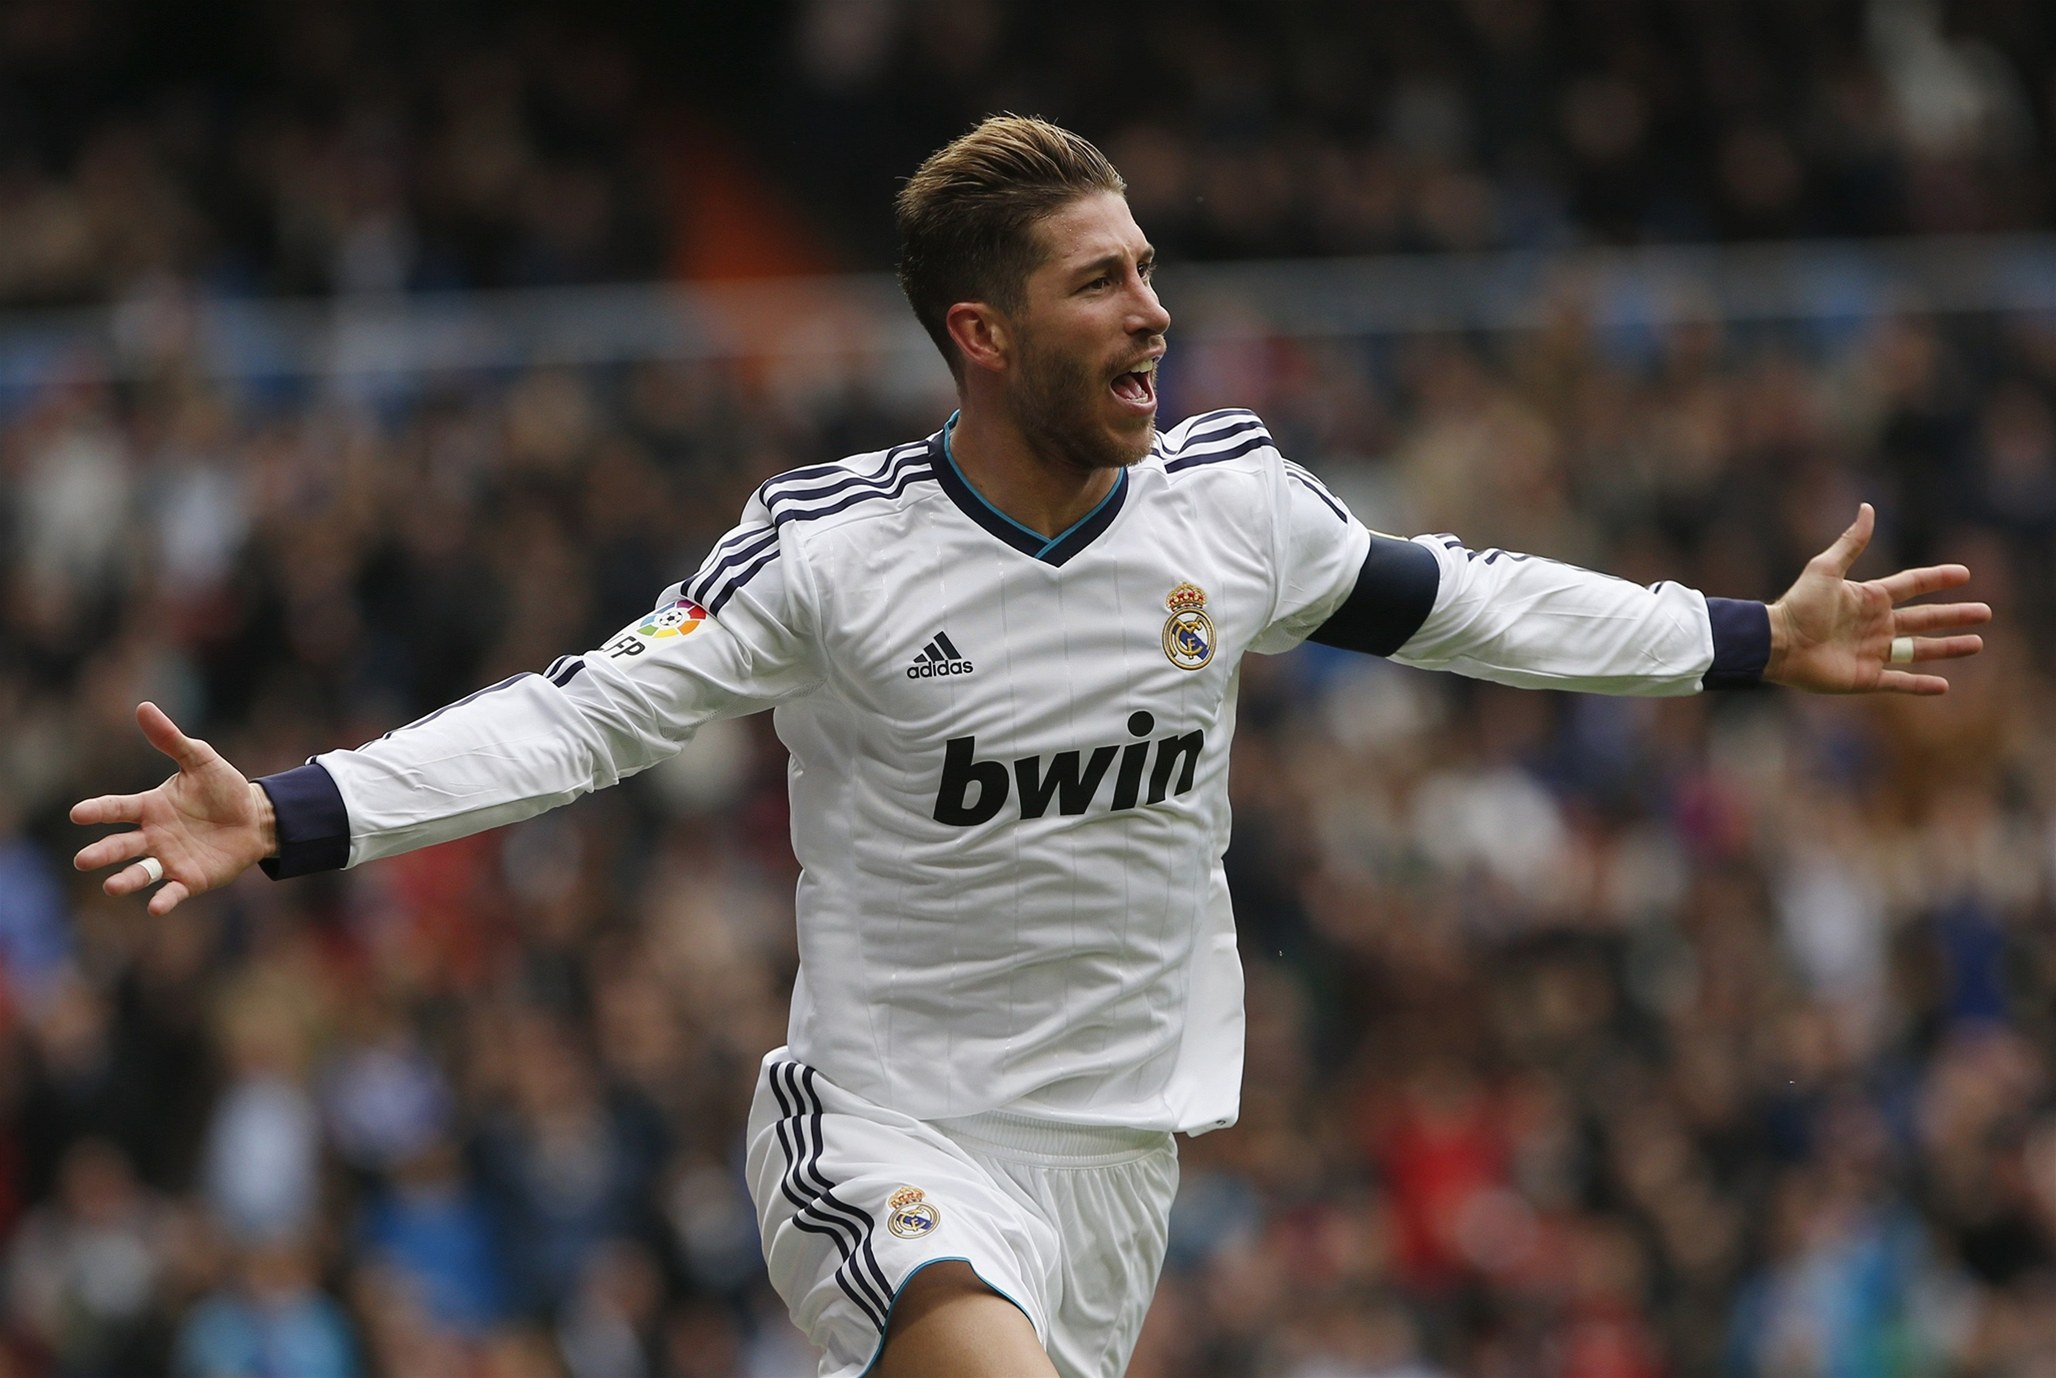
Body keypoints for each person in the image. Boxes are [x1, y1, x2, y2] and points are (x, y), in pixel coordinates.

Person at [72, 116, 1989, 1378]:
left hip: (1116, 1165)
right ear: (982, 334)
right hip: (886, 1131)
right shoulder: (831, 552)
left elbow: (1468, 599)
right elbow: (581, 716)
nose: (1157, 309)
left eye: (1150, 267)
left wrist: (1751, 637)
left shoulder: (1234, 512)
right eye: (1105, 281)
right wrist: (297, 810)